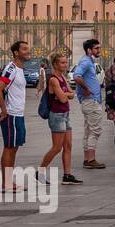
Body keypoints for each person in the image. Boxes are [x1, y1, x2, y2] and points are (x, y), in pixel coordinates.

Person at [38, 52, 81, 185]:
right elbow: (63, 98)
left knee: (68, 146)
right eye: (62, 62)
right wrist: (64, 95)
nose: (65, 64)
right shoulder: (53, 79)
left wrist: (65, 94)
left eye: (65, 62)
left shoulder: (62, 77)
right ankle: (39, 172)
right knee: (57, 147)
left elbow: (72, 94)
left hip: (65, 114)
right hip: (56, 115)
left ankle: (67, 175)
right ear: (55, 64)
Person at [0, 39, 30, 193]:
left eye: (28, 48)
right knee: (9, 148)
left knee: (14, 147)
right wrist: (4, 110)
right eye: (24, 49)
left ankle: (9, 181)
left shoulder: (20, 69)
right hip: (11, 115)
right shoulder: (11, 69)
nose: (28, 51)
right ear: (16, 52)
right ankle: (6, 183)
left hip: (18, 114)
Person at [74, 38, 106, 170]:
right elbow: (76, 76)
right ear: (89, 50)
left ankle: (87, 159)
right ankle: (91, 159)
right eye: (96, 48)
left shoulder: (89, 61)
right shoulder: (86, 62)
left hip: (90, 101)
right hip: (91, 101)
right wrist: (86, 88)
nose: (99, 50)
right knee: (95, 130)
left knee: (88, 131)